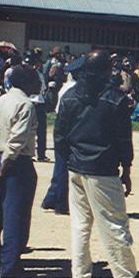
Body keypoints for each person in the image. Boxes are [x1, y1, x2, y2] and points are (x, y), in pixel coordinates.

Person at [56, 50, 139, 278]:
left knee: (80, 225)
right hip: (103, 170)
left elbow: (60, 137)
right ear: (107, 70)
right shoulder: (115, 99)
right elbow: (123, 140)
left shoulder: (69, 96)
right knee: (115, 225)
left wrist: (69, 160)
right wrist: (126, 169)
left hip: (76, 167)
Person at [0, 64, 39, 278]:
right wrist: (4, 170)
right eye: (36, 80)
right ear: (26, 83)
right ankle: (10, 266)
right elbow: (16, 142)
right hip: (16, 164)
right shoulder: (25, 105)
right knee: (16, 216)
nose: (40, 84)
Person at [40, 59, 82, 215]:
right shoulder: (75, 89)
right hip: (68, 127)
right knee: (64, 166)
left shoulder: (67, 87)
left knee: (60, 164)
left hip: (61, 126)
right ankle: (61, 203)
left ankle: (51, 198)